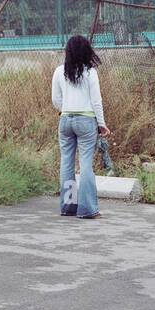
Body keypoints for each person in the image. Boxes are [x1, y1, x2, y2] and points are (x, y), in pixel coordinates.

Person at [51, 34, 110, 219]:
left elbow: (56, 100)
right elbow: (96, 101)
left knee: (66, 163)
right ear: (86, 51)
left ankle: (68, 206)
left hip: (65, 120)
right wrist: (102, 124)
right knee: (85, 165)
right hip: (86, 121)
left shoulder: (59, 71)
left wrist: (65, 110)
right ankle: (88, 209)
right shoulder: (90, 72)